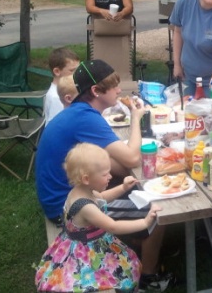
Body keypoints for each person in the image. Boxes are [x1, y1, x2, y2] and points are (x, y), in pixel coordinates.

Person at [35, 59, 175, 292]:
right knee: (158, 209)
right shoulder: (87, 117)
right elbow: (132, 158)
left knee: (121, 179)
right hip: (67, 207)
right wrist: (136, 117)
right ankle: (149, 277)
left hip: (60, 193)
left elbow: (114, 160)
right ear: (96, 91)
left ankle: (139, 240)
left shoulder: (80, 111)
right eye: (114, 87)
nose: (120, 91)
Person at [35, 143, 161, 293]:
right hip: (85, 254)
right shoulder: (85, 207)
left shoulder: (83, 190)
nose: (110, 176)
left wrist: (123, 187)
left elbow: (101, 198)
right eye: (105, 174)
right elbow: (113, 226)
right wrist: (145, 222)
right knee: (120, 273)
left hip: (90, 242)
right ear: (87, 178)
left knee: (128, 263)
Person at [44, 47, 80, 125]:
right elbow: (56, 126)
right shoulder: (56, 97)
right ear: (57, 71)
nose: (77, 74)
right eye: (72, 70)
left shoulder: (67, 90)